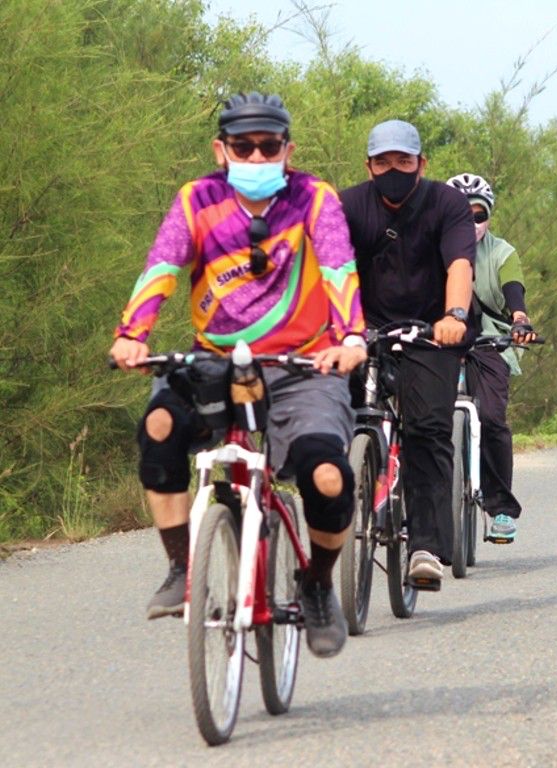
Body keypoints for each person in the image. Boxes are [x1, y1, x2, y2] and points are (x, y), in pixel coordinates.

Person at [109, 92, 366, 658]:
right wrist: (134, 334)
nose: (255, 158)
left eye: (268, 147)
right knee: (158, 428)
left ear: (288, 149)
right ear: (219, 149)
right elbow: (163, 267)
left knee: (327, 478)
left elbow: (339, 266)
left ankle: (318, 585)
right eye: (242, 147)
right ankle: (182, 568)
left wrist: (350, 338)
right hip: (216, 361)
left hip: (304, 364)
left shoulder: (313, 198)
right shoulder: (196, 200)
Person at [340, 120, 476, 590]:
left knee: (426, 428)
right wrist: (343, 327)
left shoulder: (447, 204)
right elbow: (332, 269)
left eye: (403, 161)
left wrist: (454, 313)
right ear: (369, 165)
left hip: (432, 331)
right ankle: (343, 507)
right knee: (335, 413)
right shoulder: (349, 205)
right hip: (363, 329)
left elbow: (460, 262)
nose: (393, 170)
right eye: (383, 162)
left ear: (421, 164)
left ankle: (424, 544)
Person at [446, 173, 536, 544]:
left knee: (491, 417)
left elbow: (513, 289)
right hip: (439, 341)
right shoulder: (429, 246)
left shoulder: (502, 252)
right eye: (460, 214)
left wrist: (520, 319)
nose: (471, 222)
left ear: (489, 216)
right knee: (419, 420)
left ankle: (500, 507)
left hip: (490, 341)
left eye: (478, 214)